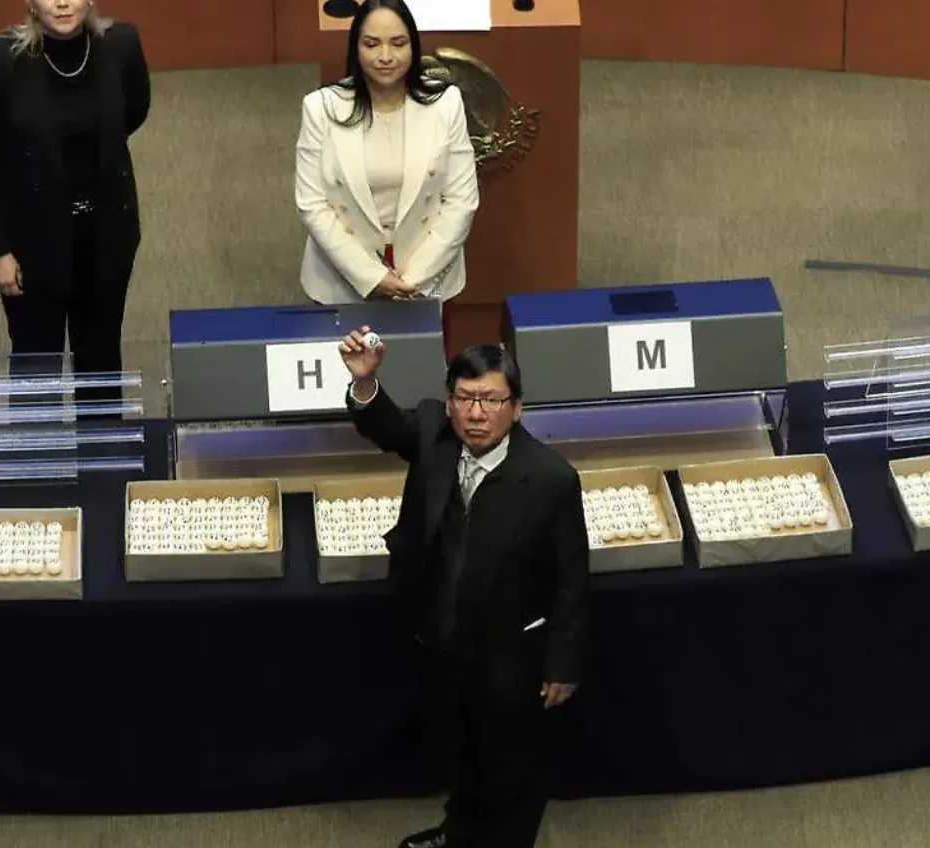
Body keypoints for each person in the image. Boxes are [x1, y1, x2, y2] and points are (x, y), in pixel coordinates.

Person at [339, 327, 588, 848]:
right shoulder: (434, 432)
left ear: (516, 408)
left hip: (510, 654)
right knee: (459, 751)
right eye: (466, 398)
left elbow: (571, 579)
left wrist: (562, 664)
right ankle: (459, 834)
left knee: (510, 768)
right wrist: (364, 383)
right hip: (441, 640)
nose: (477, 414)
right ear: (450, 402)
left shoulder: (551, 478)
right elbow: (386, 425)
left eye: (491, 400)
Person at [0, 0, 150, 407]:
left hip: (106, 235)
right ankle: (36, 449)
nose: (62, 3)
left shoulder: (121, 45)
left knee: (100, 359)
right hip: (32, 242)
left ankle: (101, 449)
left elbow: (133, 112)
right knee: (36, 365)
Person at [295, 0, 480, 305]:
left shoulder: (446, 104)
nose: (385, 57)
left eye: (398, 43)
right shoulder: (320, 108)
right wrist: (372, 277)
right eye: (371, 44)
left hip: (426, 277)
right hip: (344, 279)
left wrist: (414, 279)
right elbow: (312, 204)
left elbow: (462, 201)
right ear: (356, 48)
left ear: (413, 46)